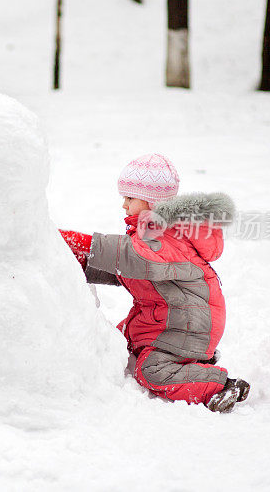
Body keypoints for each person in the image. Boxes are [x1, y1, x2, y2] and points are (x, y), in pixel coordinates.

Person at [60, 153, 250, 413]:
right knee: (114, 344)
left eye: (130, 198)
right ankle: (192, 360)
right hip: (172, 319)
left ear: (151, 202)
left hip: (188, 325)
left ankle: (217, 385)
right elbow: (126, 271)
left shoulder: (165, 237)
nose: (124, 206)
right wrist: (77, 263)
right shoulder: (153, 236)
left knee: (152, 370)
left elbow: (132, 258)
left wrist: (72, 243)